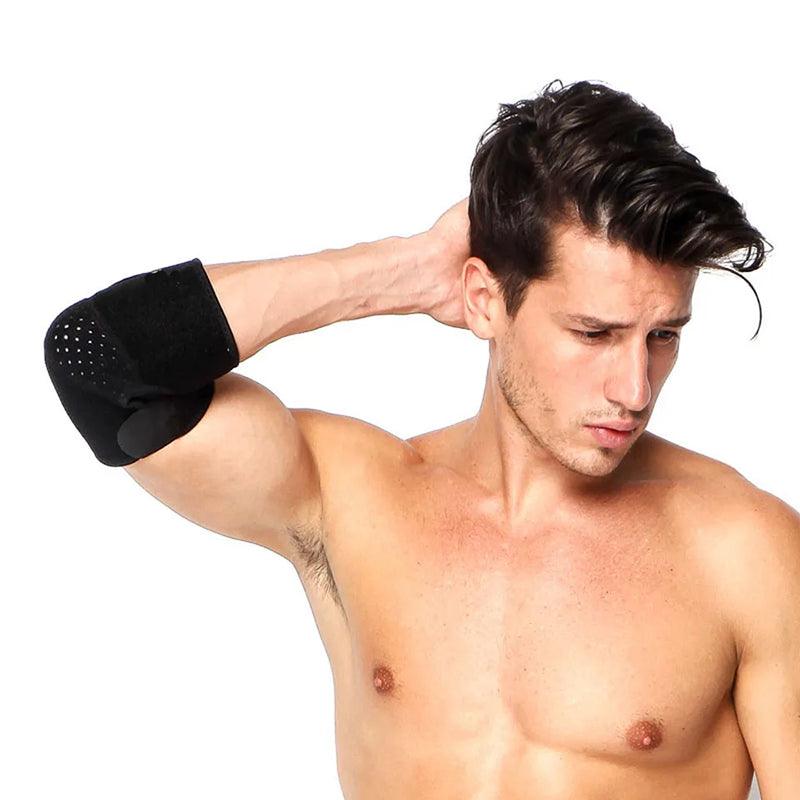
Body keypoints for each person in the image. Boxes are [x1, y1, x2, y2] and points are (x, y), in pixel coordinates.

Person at [43, 79, 799, 798]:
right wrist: (404, 271)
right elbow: (99, 364)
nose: (635, 389)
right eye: (593, 333)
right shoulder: (352, 499)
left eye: (663, 336)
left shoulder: (745, 550)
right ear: (483, 300)